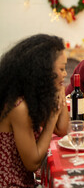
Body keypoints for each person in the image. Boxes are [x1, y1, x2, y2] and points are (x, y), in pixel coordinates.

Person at [0, 34, 70, 187]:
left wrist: (60, 90)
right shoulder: (18, 106)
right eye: (62, 69)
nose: (65, 74)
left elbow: (62, 129)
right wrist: (52, 118)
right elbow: (32, 163)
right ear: (43, 71)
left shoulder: (31, 94)